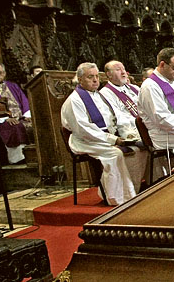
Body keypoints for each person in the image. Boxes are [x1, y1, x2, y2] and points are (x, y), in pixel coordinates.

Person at [60, 63, 146, 205]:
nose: (95, 80)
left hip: (103, 137)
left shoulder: (99, 96)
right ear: (80, 79)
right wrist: (113, 139)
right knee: (115, 154)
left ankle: (133, 190)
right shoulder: (74, 101)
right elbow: (84, 130)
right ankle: (116, 198)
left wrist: (125, 134)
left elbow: (113, 118)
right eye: (90, 77)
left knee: (138, 149)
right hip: (84, 140)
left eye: (96, 77)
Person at [0, 63, 32, 165]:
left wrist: (27, 115)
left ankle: (34, 156)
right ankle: (19, 159)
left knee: (33, 124)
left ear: (4, 73)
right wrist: (5, 118)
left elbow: (24, 101)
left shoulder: (12, 85)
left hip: (20, 116)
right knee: (15, 126)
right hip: (2, 118)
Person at [100, 59, 141, 139]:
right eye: (118, 70)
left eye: (124, 69)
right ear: (109, 74)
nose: (123, 72)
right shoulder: (105, 94)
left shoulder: (135, 88)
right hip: (131, 131)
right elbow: (118, 118)